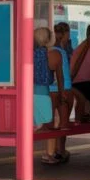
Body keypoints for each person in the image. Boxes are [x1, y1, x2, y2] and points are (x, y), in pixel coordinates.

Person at [34, 27, 63, 165]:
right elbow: (59, 77)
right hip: (43, 93)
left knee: (36, 124)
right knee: (53, 122)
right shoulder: (53, 54)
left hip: (28, 93)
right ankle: (49, 154)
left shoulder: (29, 53)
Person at [50, 23, 73, 163]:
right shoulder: (63, 52)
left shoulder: (49, 50)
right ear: (66, 34)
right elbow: (63, 74)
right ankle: (61, 150)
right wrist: (63, 89)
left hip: (50, 88)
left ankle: (50, 151)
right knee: (64, 123)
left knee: (51, 122)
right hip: (65, 88)